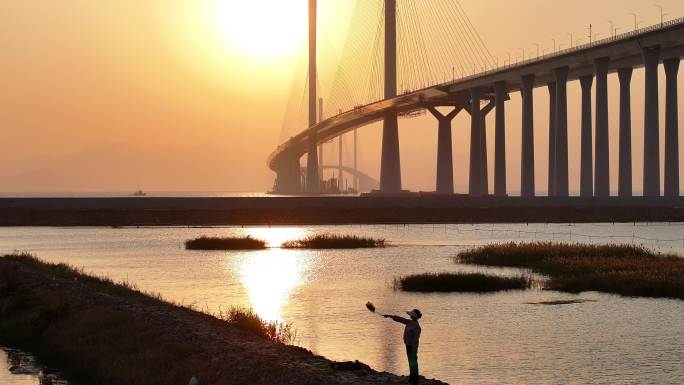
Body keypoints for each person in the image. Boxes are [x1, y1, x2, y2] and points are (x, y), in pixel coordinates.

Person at [383, 309, 422, 385]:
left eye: (411, 315)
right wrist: (389, 316)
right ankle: (412, 379)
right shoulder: (410, 322)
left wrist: (414, 350)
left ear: (413, 316)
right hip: (408, 346)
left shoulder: (416, 326)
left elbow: (415, 340)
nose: (410, 316)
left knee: (413, 363)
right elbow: (400, 319)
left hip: (412, 347)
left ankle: (415, 381)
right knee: (411, 363)